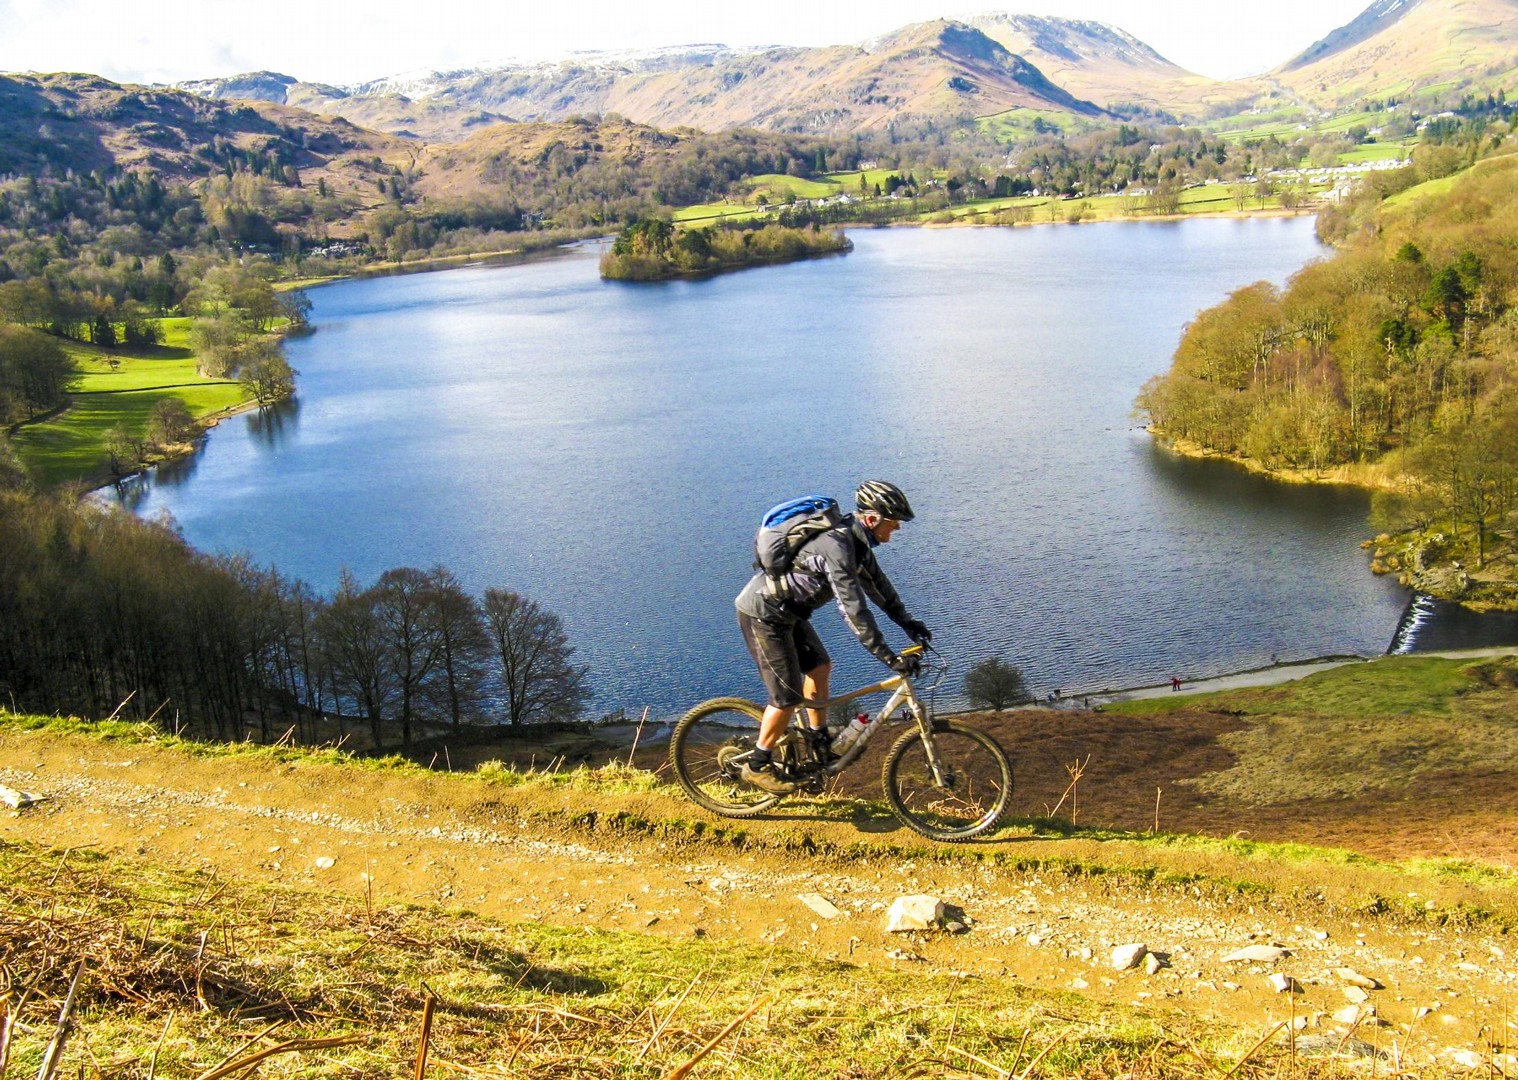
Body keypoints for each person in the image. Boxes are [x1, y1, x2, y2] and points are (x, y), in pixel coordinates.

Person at [734, 480, 931, 793]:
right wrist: (888, 657)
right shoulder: (837, 548)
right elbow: (854, 610)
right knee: (787, 696)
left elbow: (879, 587)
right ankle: (757, 765)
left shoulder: (857, 545)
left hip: (789, 615)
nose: (895, 531)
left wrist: (908, 622)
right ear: (872, 519)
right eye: (893, 524)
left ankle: (818, 738)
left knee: (820, 669)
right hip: (762, 615)